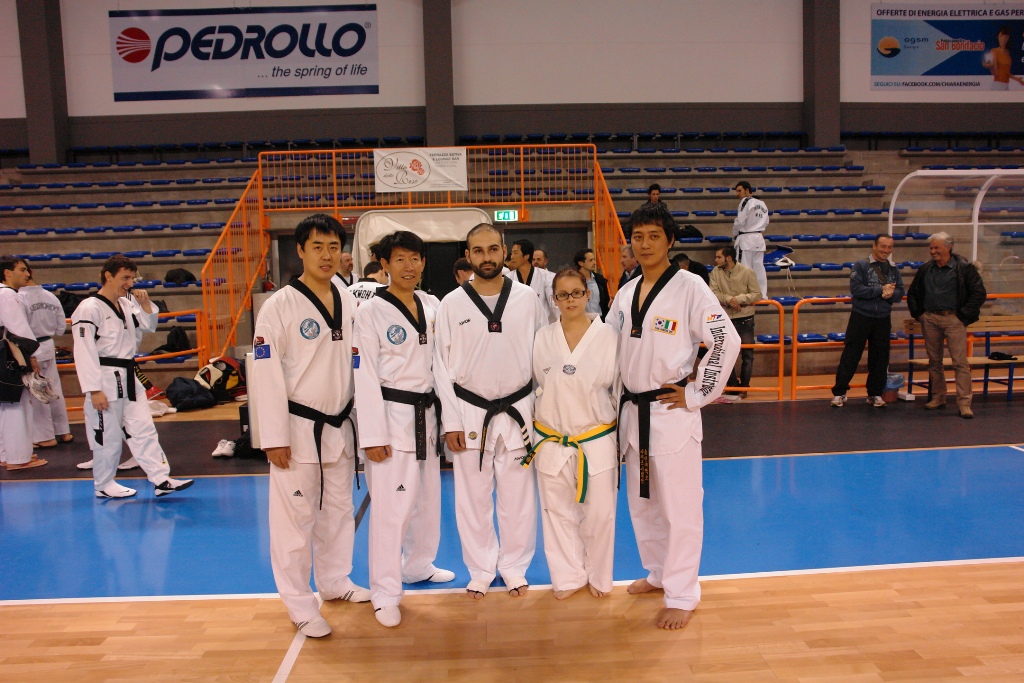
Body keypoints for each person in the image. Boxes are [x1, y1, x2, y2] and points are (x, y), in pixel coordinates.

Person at [608, 204, 739, 630]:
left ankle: (682, 593)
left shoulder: (690, 287)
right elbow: (606, 347)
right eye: (638, 237)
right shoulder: (626, 292)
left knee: (680, 509)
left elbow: (725, 340)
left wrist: (698, 392)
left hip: (670, 410)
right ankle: (659, 573)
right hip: (632, 413)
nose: (644, 244)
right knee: (643, 503)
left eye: (653, 236)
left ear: (669, 241)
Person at [250, 214, 371, 639]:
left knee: (337, 512)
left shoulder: (348, 298)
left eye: (334, 247)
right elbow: (265, 374)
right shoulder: (278, 306)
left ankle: (335, 580)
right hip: (297, 429)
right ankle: (300, 604)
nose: (326, 255)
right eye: (317, 246)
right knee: (295, 522)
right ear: (300, 250)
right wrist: (273, 436)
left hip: (339, 427)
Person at [433, 223, 547, 599]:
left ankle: (514, 566)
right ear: (468, 254)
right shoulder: (451, 304)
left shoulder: (528, 299)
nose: (486, 257)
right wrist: (450, 420)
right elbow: (440, 366)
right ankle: (480, 568)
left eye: (492, 249)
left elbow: (543, 356)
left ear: (504, 250)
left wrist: (543, 410)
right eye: (478, 251)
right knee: (472, 498)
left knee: (519, 497)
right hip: (469, 412)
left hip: (520, 410)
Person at [353, 231, 455, 628]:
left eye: (415, 258)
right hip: (391, 419)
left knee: (426, 502)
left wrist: (449, 421)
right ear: (385, 265)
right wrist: (372, 435)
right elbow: (364, 376)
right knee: (391, 511)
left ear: (424, 262)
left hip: (425, 417)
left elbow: (441, 367)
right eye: (399, 259)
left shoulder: (431, 305)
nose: (408, 267)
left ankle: (418, 565)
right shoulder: (370, 312)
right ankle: (384, 590)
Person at [527, 268, 619, 600]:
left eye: (576, 293)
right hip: (552, 438)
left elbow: (617, 389)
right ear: (553, 299)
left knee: (600, 515)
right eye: (563, 295)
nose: (570, 300)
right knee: (557, 514)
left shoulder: (609, 336)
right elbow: (539, 384)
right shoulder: (542, 337)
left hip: (595, 438)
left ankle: (599, 576)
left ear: (587, 294)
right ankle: (568, 578)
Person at [71, 255, 192, 498]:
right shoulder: (89, 308)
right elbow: (83, 350)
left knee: (144, 429)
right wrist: (93, 389)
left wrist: (145, 304)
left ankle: (161, 479)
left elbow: (148, 326)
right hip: (104, 378)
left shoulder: (126, 304)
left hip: (128, 375)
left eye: (132, 278)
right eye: (125, 277)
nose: (130, 283)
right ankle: (104, 484)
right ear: (108, 276)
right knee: (107, 435)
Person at [906, 232, 987, 419]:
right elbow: (913, 293)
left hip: (953, 320)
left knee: (960, 363)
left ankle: (964, 403)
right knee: (934, 362)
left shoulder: (965, 269)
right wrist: (919, 315)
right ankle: (938, 397)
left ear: (948, 247)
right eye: (931, 248)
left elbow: (979, 293)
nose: (932, 251)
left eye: (936, 248)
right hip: (930, 319)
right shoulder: (925, 269)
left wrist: (962, 316)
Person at [831, 235, 905, 408]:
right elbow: (856, 289)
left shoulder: (893, 269)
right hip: (861, 316)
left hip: (883, 318)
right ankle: (840, 393)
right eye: (883, 246)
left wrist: (890, 294)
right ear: (874, 246)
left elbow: (900, 292)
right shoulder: (861, 265)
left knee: (880, 358)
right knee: (851, 355)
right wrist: (880, 290)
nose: (886, 250)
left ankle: (875, 393)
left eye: (889, 247)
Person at [0, 256, 46, 471]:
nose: (27, 274)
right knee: (16, 404)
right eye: (22, 270)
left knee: (5, 405)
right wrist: (32, 355)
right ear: (7, 273)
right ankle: (18, 458)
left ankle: (6, 453)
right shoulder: (7, 295)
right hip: (8, 355)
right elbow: (19, 329)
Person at [18, 269, 72, 447]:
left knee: (36, 391)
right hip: (48, 344)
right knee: (54, 388)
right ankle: (63, 431)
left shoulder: (19, 298)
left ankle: (45, 437)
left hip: (30, 347)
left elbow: (19, 327)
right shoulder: (50, 296)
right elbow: (61, 326)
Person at [709, 246, 762, 394]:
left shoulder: (747, 272)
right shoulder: (714, 273)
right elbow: (713, 292)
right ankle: (733, 385)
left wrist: (738, 299)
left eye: (718, 257)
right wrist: (729, 300)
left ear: (729, 258)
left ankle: (744, 387)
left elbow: (757, 293)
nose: (715, 260)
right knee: (725, 353)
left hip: (745, 318)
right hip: (725, 318)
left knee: (748, 355)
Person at [732, 181, 768, 299]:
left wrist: (735, 233)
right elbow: (766, 221)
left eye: (739, 191)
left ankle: (745, 294)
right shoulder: (762, 204)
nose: (737, 194)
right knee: (759, 268)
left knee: (743, 268)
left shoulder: (746, 201)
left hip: (746, 238)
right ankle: (762, 294)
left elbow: (740, 220)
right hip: (758, 238)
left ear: (747, 190)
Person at [509, 238, 556, 323]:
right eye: (512, 253)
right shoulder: (507, 278)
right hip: (516, 325)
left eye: (515, 253)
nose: (512, 257)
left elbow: (554, 304)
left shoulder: (547, 277)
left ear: (526, 256)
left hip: (542, 326)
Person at [573, 248, 610, 320]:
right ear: (581, 263)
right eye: (590, 260)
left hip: (600, 320)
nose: (594, 263)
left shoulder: (600, 280)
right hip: (581, 320)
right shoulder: (573, 280)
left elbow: (605, 302)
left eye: (594, 260)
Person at [984, 26, 1024, 90]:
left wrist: (1017, 79)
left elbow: (1006, 72)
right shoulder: (994, 51)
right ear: (998, 37)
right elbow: (995, 72)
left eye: (1005, 36)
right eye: (1000, 36)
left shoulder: (1007, 52)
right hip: (998, 85)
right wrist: (990, 66)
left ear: (1008, 38)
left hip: (1006, 85)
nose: (1002, 39)